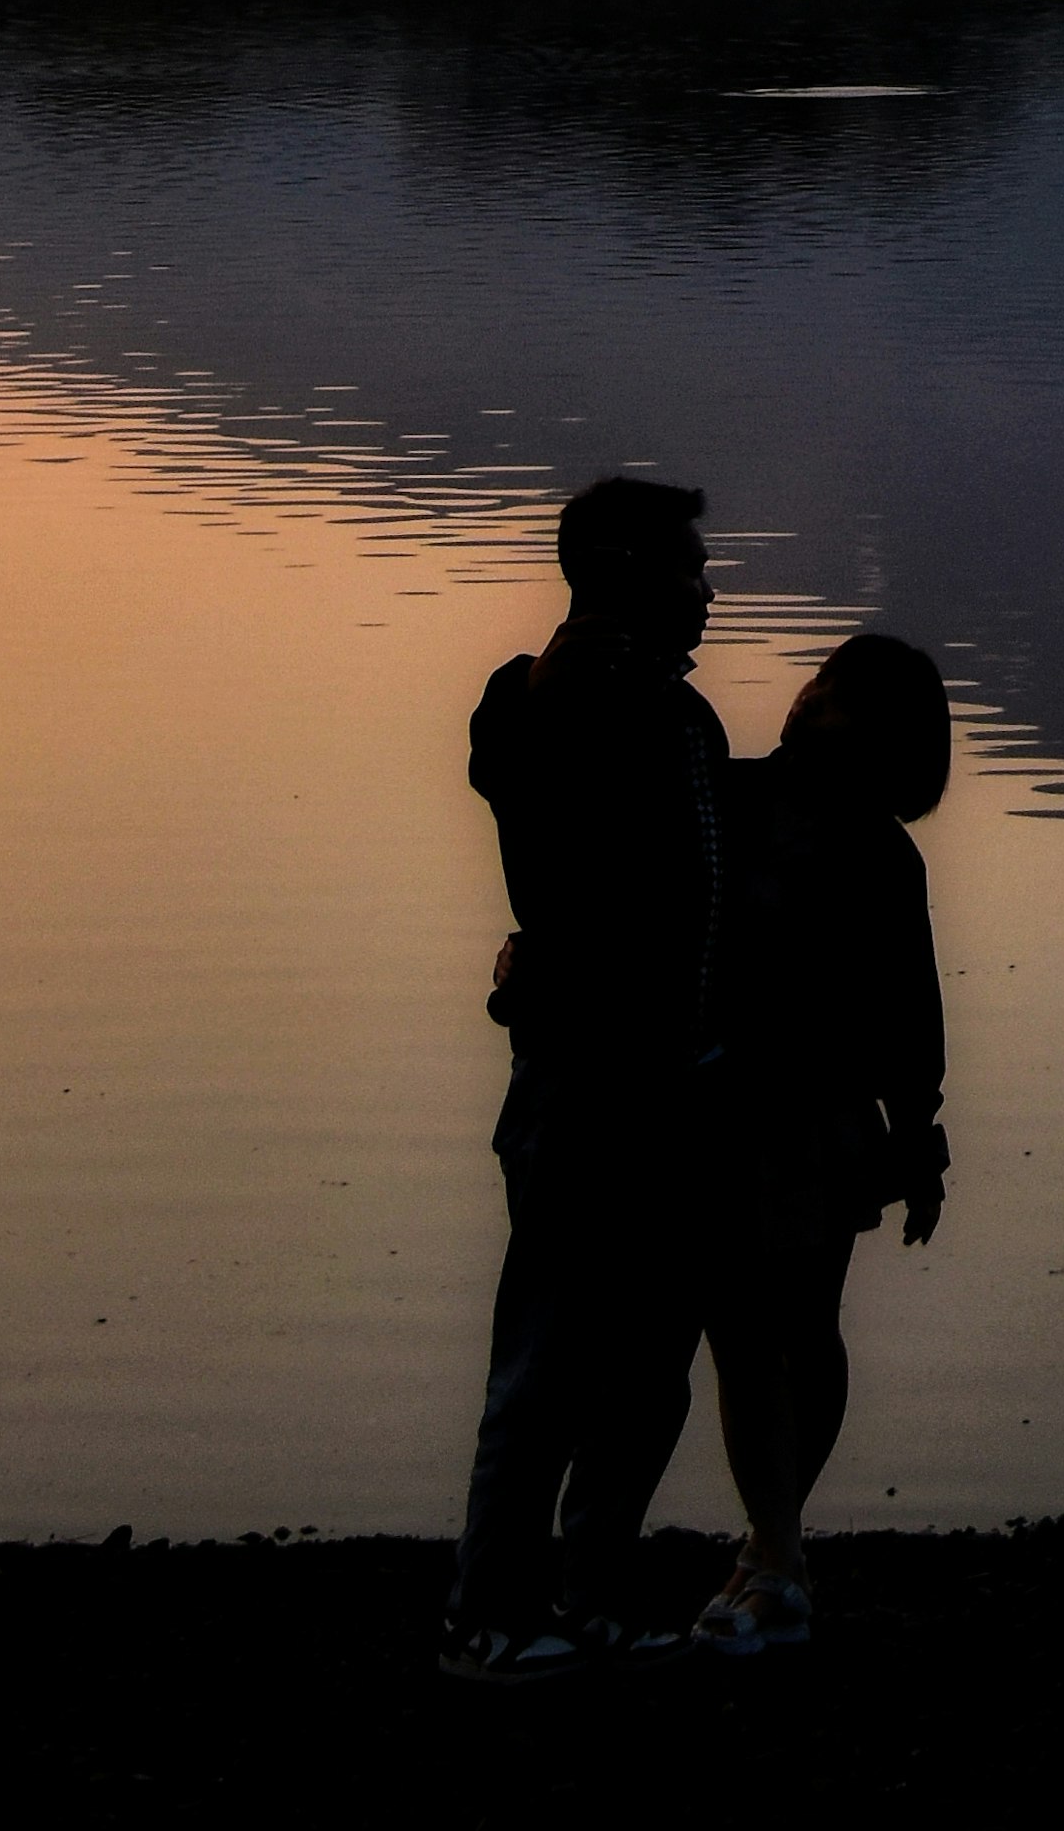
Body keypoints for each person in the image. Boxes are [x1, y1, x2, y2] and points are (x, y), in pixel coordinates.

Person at [441, 473, 730, 1687]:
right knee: (550, 1361)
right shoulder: (539, 701)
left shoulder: (686, 718)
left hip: (676, 1086)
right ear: (617, 570)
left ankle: (590, 1589)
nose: (706, 589)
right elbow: (499, 752)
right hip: (581, 1086)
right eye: (684, 568)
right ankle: (489, 1616)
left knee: (652, 1361)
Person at [689, 630, 955, 1659]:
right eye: (817, 693)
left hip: (819, 1120)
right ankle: (777, 1552)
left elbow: (909, 1014)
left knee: (796, 1326)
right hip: (722, 1109)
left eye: (841, 702)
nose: (811, 710)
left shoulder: (884, 856)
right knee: (747, 1331)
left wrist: (919, 1132)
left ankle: (773, 1552)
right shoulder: (729, 800)